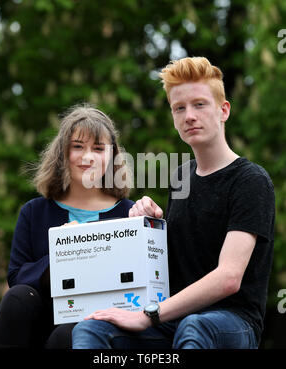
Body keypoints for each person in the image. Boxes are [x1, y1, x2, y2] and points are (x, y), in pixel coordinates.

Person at [72, 57, 275, 349]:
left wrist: (149, 315)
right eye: (179, 108)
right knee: (91, 329)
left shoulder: (251, 180)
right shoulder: (181, 176)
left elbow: (229, 277)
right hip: (175, 320)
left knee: (195, 327)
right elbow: (170, 264)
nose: (189, 115)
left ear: (223, 110)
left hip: (233, 323)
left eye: (200, 104)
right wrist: (147, 224)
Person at [0, 104, 134, 348]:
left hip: (100, 322)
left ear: (112, 156)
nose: (88, 157)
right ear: (62, 153)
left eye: (98, 148)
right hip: (42, 318)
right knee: (18, 297)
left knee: (70, 334)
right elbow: (16, 277)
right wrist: (62, 254)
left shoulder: (130, 212)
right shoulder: (34, 212)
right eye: (78, 146)